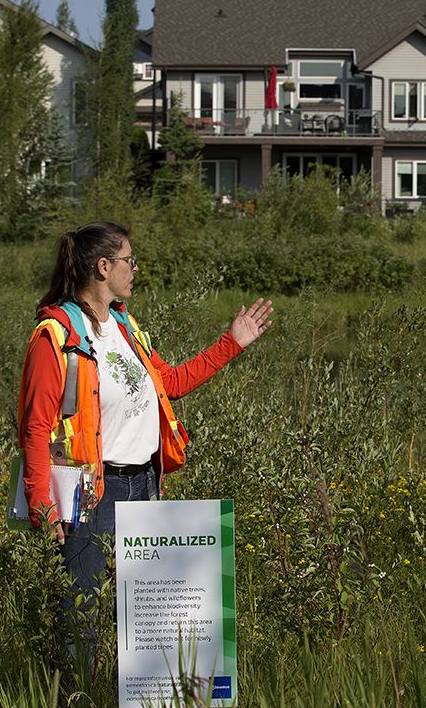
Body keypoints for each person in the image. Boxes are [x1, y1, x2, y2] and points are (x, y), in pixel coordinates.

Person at [17, 221, 272, 663]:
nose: (135, 268)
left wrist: (232, 343)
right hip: (91, 497)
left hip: (145, 486)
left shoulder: (124, 326)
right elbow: (35, 429)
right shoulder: (55, 338)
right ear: (102, 267)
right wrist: (44, 508)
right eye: (128, 260)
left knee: (147, 626)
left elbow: (168, 382)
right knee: (81, 622)